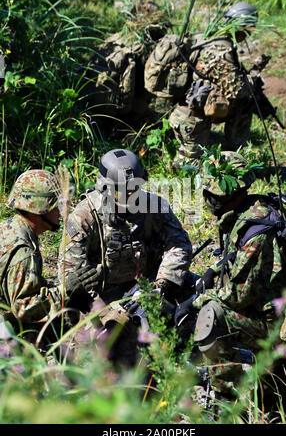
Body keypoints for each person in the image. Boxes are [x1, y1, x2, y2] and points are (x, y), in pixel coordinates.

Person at [174, 151, 286, 399]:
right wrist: (213, 270)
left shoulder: (257, 230)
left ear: (229, 194)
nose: (206, 199)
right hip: (270, 304)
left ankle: (231, 396)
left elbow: (237, 296)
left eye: (211, 194)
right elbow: (236, 259)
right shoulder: (249, 211)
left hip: (281, 320)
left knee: (212, 313)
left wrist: (195, 302)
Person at [59, 148, 193, 367]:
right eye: (124, 191)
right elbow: (71, 276)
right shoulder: (84, 217)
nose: (132, 196)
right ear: (106, 190)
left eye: (136, 188)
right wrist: (108, 311)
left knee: (191, 305)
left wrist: (160, 286)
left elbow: (179, 244)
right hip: (98, 300)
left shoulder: (154, 206)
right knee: (98, 353)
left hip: (147, 289)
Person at [0, 170, 100, 353]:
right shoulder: (23, 252)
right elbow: (23, 309)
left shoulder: (10, 228)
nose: (62, 212)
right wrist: (66, 290)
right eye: (56, 206)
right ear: (40, 209)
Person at [165, 2, 260, 167]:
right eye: (248, 30)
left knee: (243, 106)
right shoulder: (220, 49)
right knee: (191, 167)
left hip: (186, 110)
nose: (248, 35)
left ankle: (232, 149)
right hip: (190, 119)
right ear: (241, 27)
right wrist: (254, 75)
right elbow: (237, 91)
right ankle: (233, 153)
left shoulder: (208, 37)